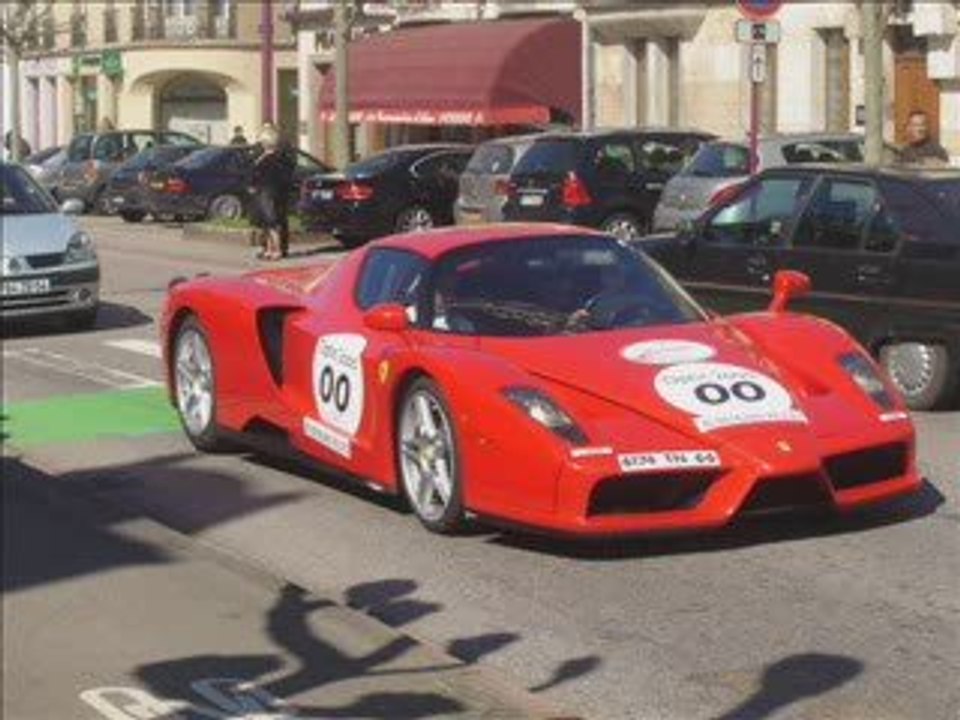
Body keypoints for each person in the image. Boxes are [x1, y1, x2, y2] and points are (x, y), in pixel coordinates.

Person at [249, 125, 295, 260]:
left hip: (269, 194)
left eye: (262, 141)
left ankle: (277, 250)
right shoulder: (270, 157)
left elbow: (258, 175)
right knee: (267, 224)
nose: (260, 144)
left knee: (272, 223)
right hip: (270, 193)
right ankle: (269, 249)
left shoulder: (273, 158)